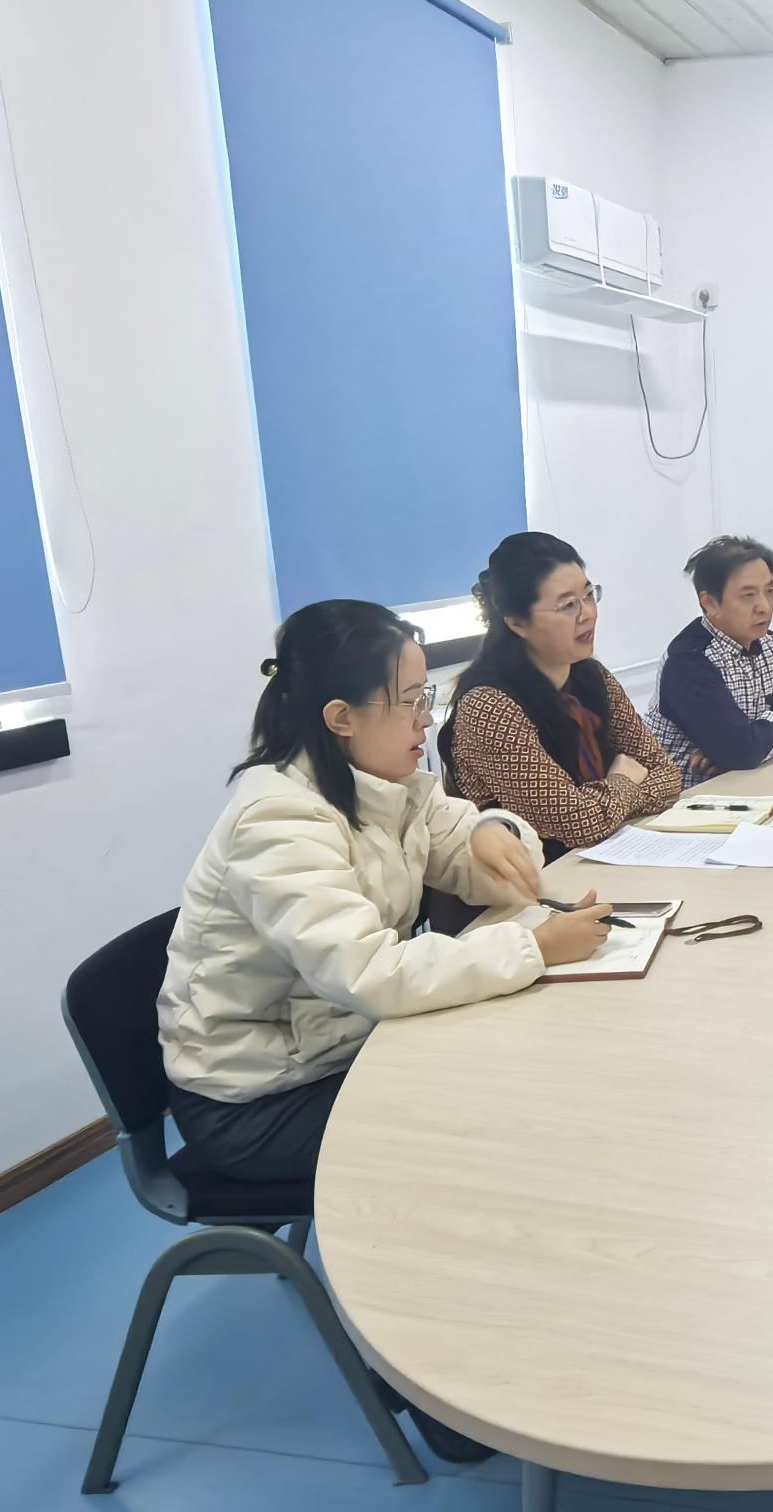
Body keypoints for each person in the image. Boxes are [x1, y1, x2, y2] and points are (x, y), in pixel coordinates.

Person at [158, 602, 612, 1463]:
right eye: (409, 702)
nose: (425, 721)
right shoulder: (277, 821)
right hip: (255, 1098)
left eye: (425, 696)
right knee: (459, 1138)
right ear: (341, 717)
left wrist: (493, 831)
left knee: (529, 1079)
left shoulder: (389, 779)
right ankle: (439, 1385)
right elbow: (368, 973)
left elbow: (455, 837)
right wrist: (532, 947)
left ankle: (527, 1319)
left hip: (337, 1045)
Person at [444, 532, 682, 862]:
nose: (588, 613)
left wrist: (603, 805)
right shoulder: (489, 707)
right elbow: (578, 825)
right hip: (526, 881)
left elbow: (668, 774)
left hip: (606, 859)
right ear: (518, 623)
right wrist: (622, 780)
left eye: (589, 596)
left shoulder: (591, 676)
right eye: (568, 605)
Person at [646, 535, 773, 782]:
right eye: (748, 595)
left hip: (752, 782)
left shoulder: (770, 644)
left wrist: (745, 746)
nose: (764, 606)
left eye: (769, 591)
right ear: (709, 603)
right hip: (687, 795)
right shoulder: (688, 660)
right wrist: (752, 740)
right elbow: (741, 751)